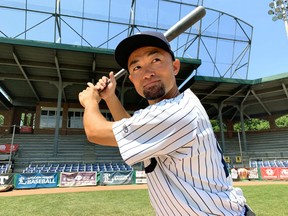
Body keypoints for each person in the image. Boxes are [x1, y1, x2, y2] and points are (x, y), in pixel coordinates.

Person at [79, 31, 253, 215]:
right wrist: (110, 97)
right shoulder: (168, 113)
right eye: (137, 67)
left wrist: (90, 102)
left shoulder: (177, 112)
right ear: (132, 79)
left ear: (175, 67)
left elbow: (95, 132)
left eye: (155, 60)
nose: (147, 73)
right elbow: (132, 131)